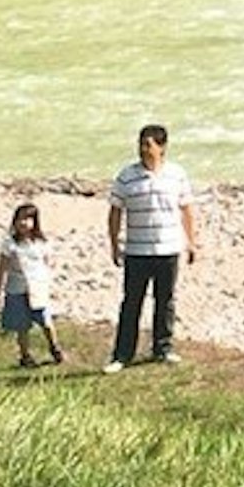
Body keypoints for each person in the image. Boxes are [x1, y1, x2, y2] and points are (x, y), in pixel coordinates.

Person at [104, 123, 200, 369]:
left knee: (165, 300)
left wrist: (192, 243)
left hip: (168, 249)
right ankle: (122, 354)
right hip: (137, 250)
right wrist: (114, 244)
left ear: (162, 147)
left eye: (149, 145)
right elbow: (115, 211)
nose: (144, 150)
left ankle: (163, 348)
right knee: (132, 303)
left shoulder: (177, 174)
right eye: (141, 144)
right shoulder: (126, 176)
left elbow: (187, 209)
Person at [0, 200, 64, 367]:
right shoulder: (9, 244)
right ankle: (25, 356)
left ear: (35, 222)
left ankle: (55, 348)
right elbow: (2, 269)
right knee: (22, 326)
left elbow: (46, 264)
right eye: (20, 219)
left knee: (46, 322)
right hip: (16, 288)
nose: (23, 223)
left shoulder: (41, 243)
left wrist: (50, 285)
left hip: (38, 288)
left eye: (27, 219)